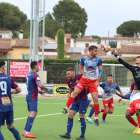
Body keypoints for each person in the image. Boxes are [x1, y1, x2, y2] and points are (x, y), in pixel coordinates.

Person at [62, 45, 103, 126]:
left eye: (96, 51)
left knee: (95, 99)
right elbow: (81, 69)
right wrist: (85, 75)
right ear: (90, 51)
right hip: (84, 79)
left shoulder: (98, 59)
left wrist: (97, 81)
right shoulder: (84, 58)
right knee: (75, 93)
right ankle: (66, 108)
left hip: (93, 81)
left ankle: (96, 118)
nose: (96, 52)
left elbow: (101, 71)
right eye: (95, 51)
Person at [60, 68, 92, 139]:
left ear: (73, 73)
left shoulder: (80, 77)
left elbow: (89, 83)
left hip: (83, 100)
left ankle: (82, 136)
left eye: (68, 74)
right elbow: (70, 87)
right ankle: (68, 134)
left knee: (81, 117)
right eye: (66, 74)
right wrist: (69, 93)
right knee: (70, 116)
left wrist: (87, 88)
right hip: (75, 101)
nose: (67, 76)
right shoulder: (68, 80)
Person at [22, 61, 49, 138]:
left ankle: (25, 131)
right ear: (35, 66)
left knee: (32, 113)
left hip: (29, 95)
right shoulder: (35, 75)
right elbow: (39, 84)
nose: (38, 67)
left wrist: (39, 91)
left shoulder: (29, 74)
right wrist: (46, 88)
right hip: (32, 97)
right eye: (38, 66)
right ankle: (27, 132)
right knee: (33, 113)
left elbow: (32, 86)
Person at [0, 60, 21, 140]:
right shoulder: (9, 78)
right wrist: (11, 91)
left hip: (0, 107)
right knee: (10, 126)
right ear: (3, 67)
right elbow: (19, 90)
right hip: (9, 106)